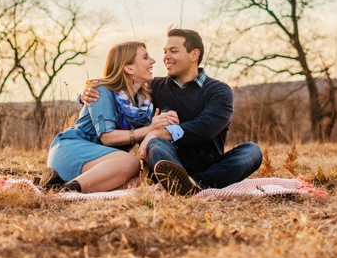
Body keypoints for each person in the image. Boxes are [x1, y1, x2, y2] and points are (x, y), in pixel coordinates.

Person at [82, 28, 262, 196]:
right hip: (167, 158)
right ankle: (180, 181)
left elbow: (205, 127)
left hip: (209, 162)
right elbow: (118, 94)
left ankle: (192, 183)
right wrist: (87, 93)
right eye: (164, 51)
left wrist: (156, 133)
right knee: (157, 144)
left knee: (252, 151)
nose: (165, 57)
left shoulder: (219, 90)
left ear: (194, 54)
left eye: (173, 51)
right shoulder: (152, 88)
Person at [42, 41, 179, 193]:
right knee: (132, 163)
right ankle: (65, 191)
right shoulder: (101, 91)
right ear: (128, 68)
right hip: (73, 151)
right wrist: (149, 129)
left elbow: (153, 128)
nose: (153, 61)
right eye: (146, 57)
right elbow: (107, 137)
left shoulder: (144, 102)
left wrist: (165, 122)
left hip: (107, 162)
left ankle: (59, 185)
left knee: (143, 178)